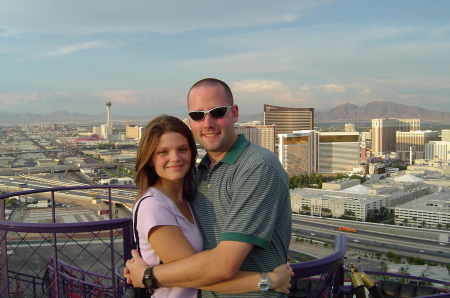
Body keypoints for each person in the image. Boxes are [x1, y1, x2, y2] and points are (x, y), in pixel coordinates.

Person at [125, 79, 292, 297]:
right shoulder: (198, 175)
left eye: (218, 112)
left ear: (235, 113)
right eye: (197, 115)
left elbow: (223, 265)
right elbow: (194, 268)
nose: (207, 123)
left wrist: (148, 276)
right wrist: (267, 280)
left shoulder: (257, 167)